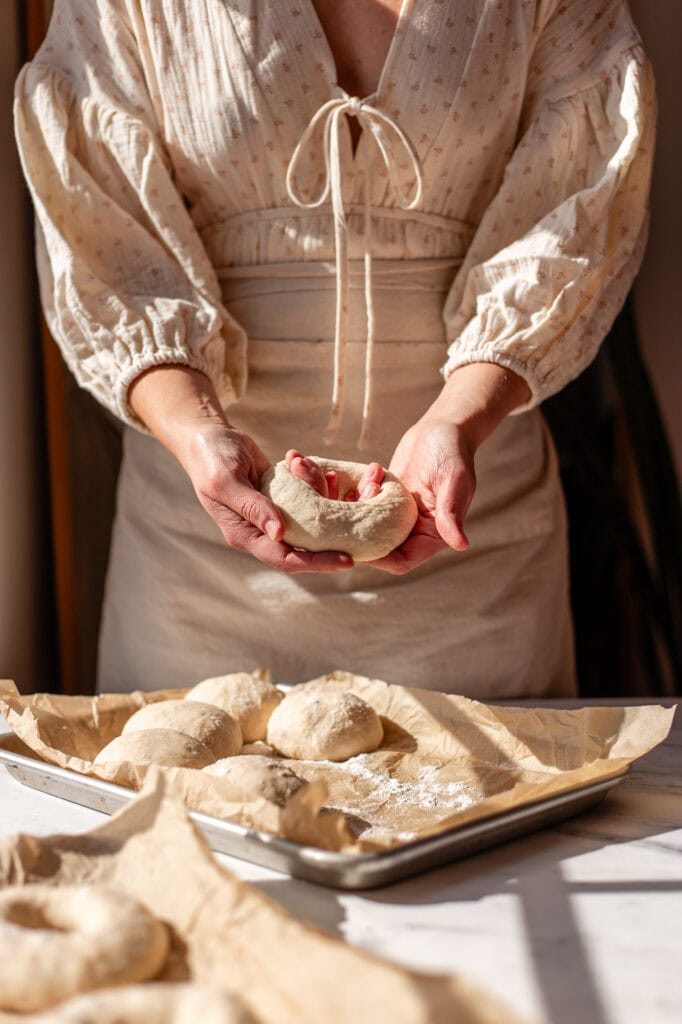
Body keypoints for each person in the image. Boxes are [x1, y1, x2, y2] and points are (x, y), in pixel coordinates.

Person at [14, 0, 655, 697]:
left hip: (469, 533)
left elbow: (575, 210)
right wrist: (199, 434)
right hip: (202, 548)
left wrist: (458, 420)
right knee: (196, 794)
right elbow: (105, 236)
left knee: (492, 801)